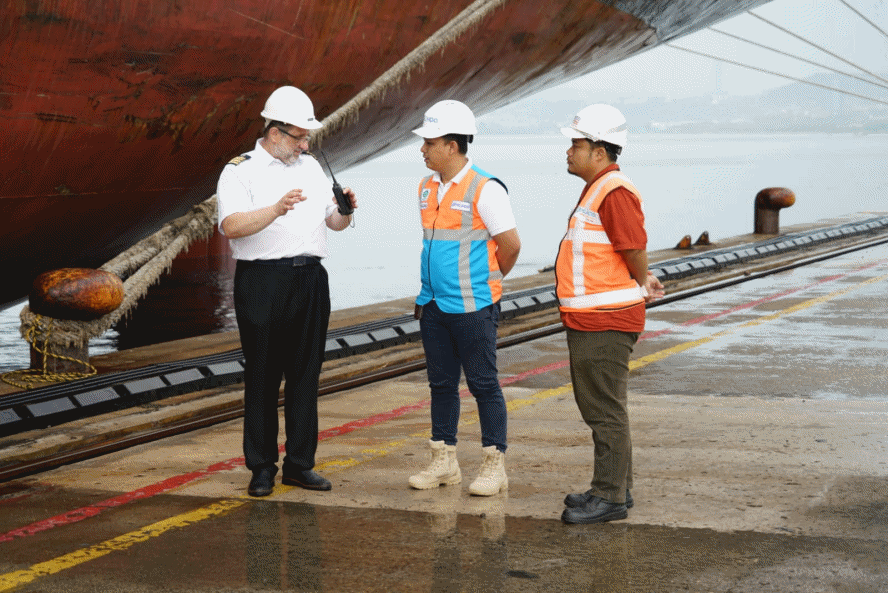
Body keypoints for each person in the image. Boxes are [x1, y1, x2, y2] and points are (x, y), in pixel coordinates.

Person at [216, 86, 357, 497]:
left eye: (307, 136)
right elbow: (231, 227)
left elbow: (333, 223)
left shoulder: (310, 166)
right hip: (262, 281)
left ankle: (300, 464)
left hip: (310, 279)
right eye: (299, 136)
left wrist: (344, 209)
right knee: (261, 376)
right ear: (274, 132)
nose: (305, 144)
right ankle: (261, 467)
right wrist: (275, 209)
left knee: (305, 375)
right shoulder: (239, 171)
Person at [555, 104, 664, 524]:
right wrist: (642, 279)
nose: (569, 151)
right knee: (607, 405)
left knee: (603, 409)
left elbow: (632, 245)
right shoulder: (599, 187)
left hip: (605, 318)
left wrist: (643, 279)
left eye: (576, 144)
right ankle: (618, 486)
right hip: (594, 316)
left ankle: (609, 497)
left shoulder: (612, 190)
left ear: (599, 151)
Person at [407, 100, 521, 496]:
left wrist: (485, 283)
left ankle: (494, 464)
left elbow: (510, 246)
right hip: (434, 306)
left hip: (474, 307)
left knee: (484, 385)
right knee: (441, 385)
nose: (422, 148)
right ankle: (444, 462)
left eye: (430, 142)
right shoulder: (426, 188)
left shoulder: (485, 189)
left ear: (453, 145)